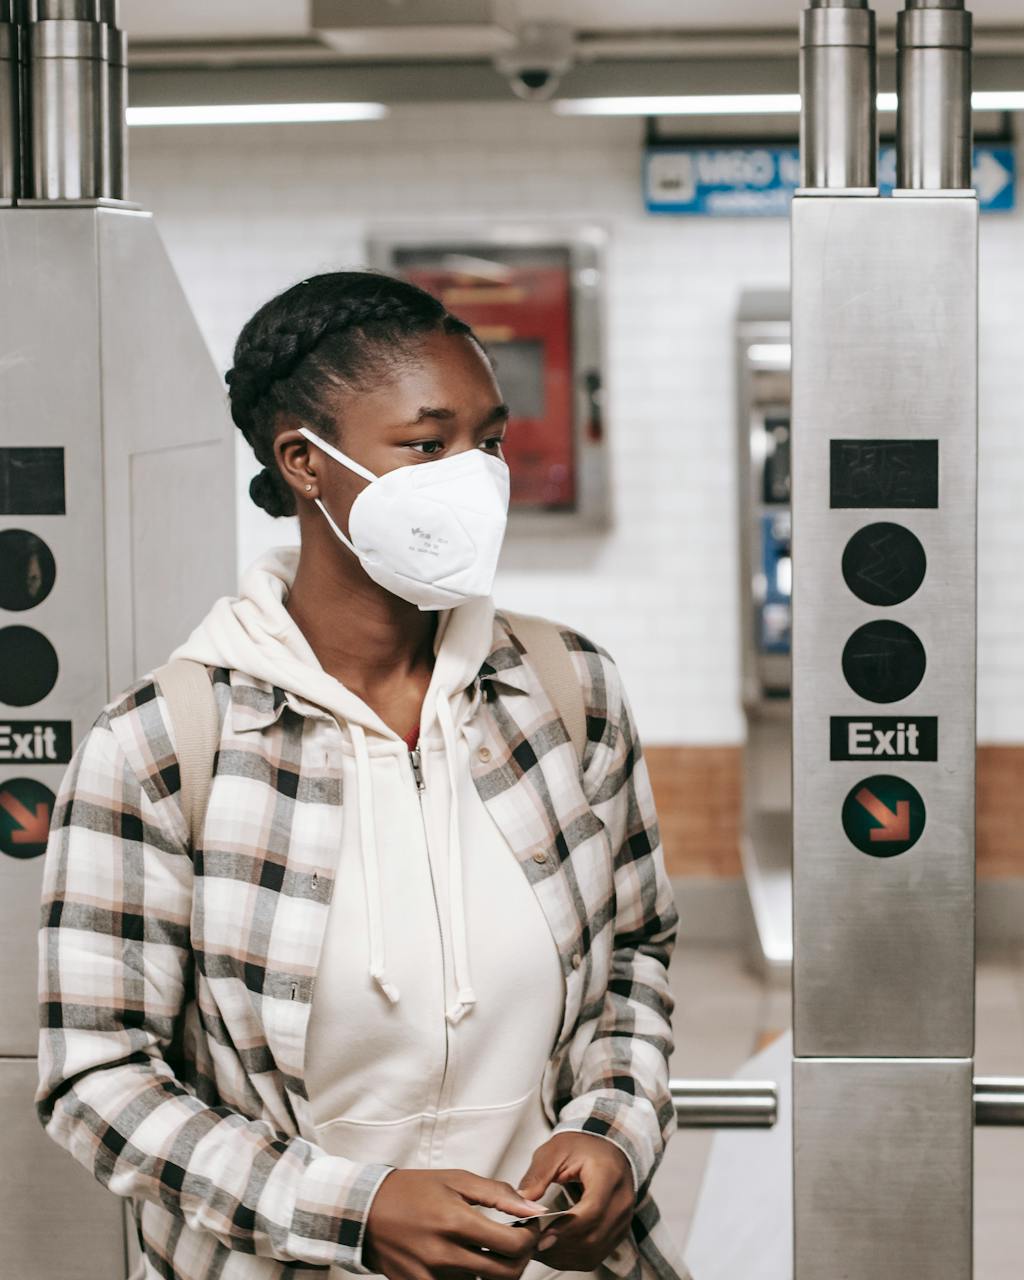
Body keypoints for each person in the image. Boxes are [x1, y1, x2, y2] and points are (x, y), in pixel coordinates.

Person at [36, 272, 685, 1280]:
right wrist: (354, 1207)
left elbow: (635, 955)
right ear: (306, 462)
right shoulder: (165, 742)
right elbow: (97, 1076)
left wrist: (614, 1127)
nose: (474, 476)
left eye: (490, 440)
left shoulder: (567, 691)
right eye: (428, 445)